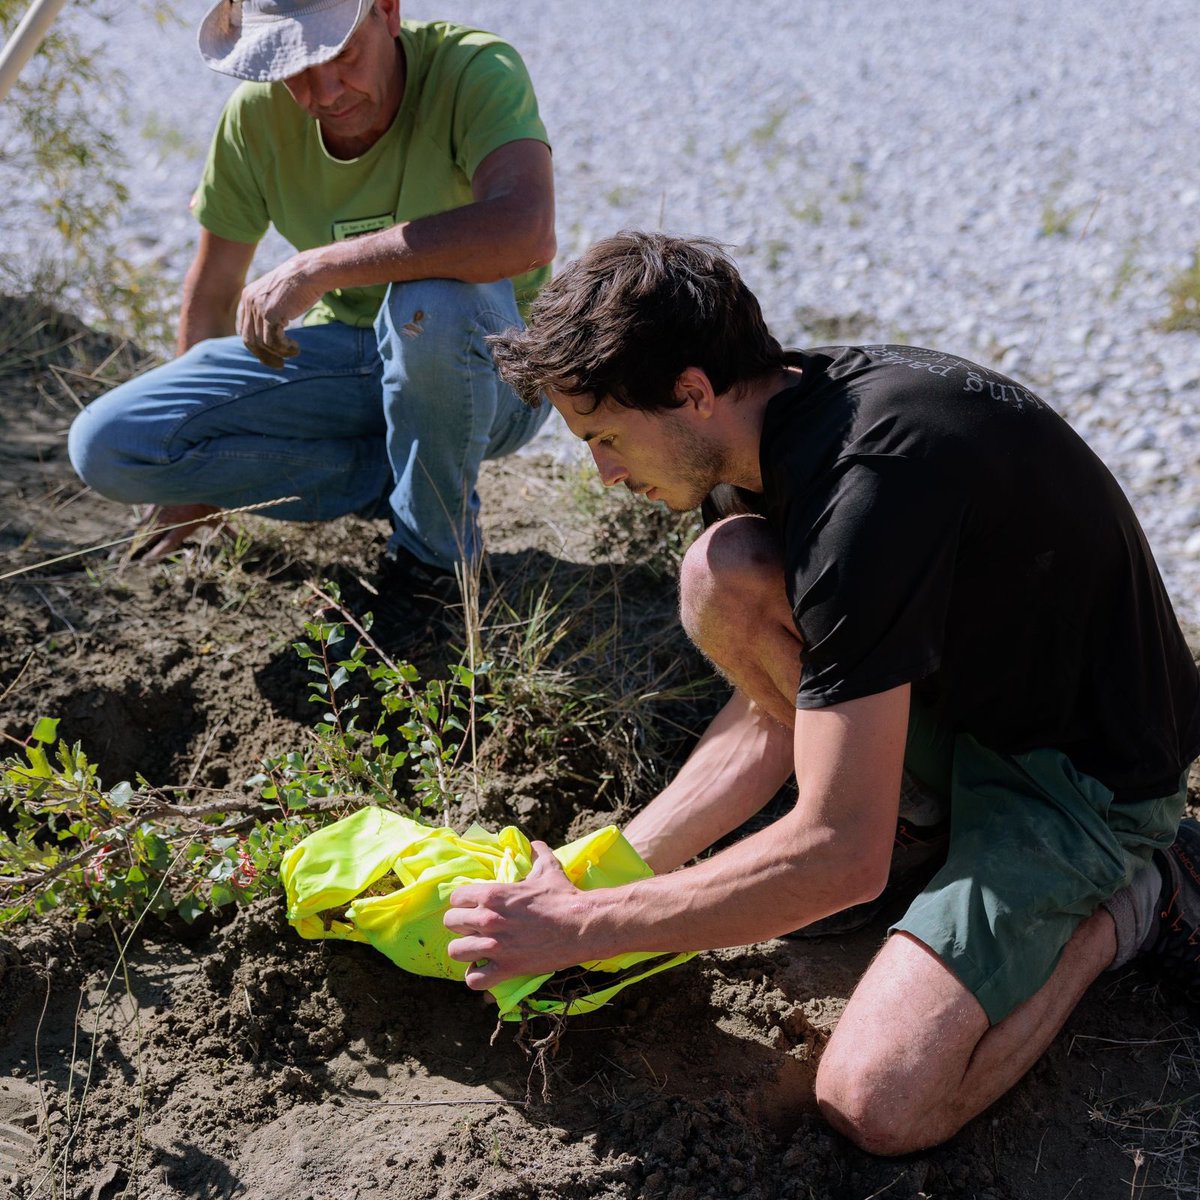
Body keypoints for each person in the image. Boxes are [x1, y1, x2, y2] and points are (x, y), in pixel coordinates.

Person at [443, 231, 1200, 1154]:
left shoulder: (866, 493)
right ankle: (920, 822)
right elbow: (775, 721)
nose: (603, 473)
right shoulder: (759, 430)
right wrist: (609, 868)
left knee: (878, 1102)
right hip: (962, 710)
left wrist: (583, 930)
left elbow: (840, 858)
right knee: (724, 573)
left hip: (1081, 782)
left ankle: (1135, 899)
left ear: (691, 391)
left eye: (604, 437)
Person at [67, 0, 555, 598]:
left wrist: (322, 266)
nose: (322, 91)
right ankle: (417, 478)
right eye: (293, 67)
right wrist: (193, 482)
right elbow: (217, 288)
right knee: (113, 446)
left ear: (388, 12)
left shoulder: (474, 69)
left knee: (431, 304)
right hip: (351, 356)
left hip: (497, 369)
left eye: (340, 54)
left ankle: (432, 567)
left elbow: (527, 233)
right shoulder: (255, 117)